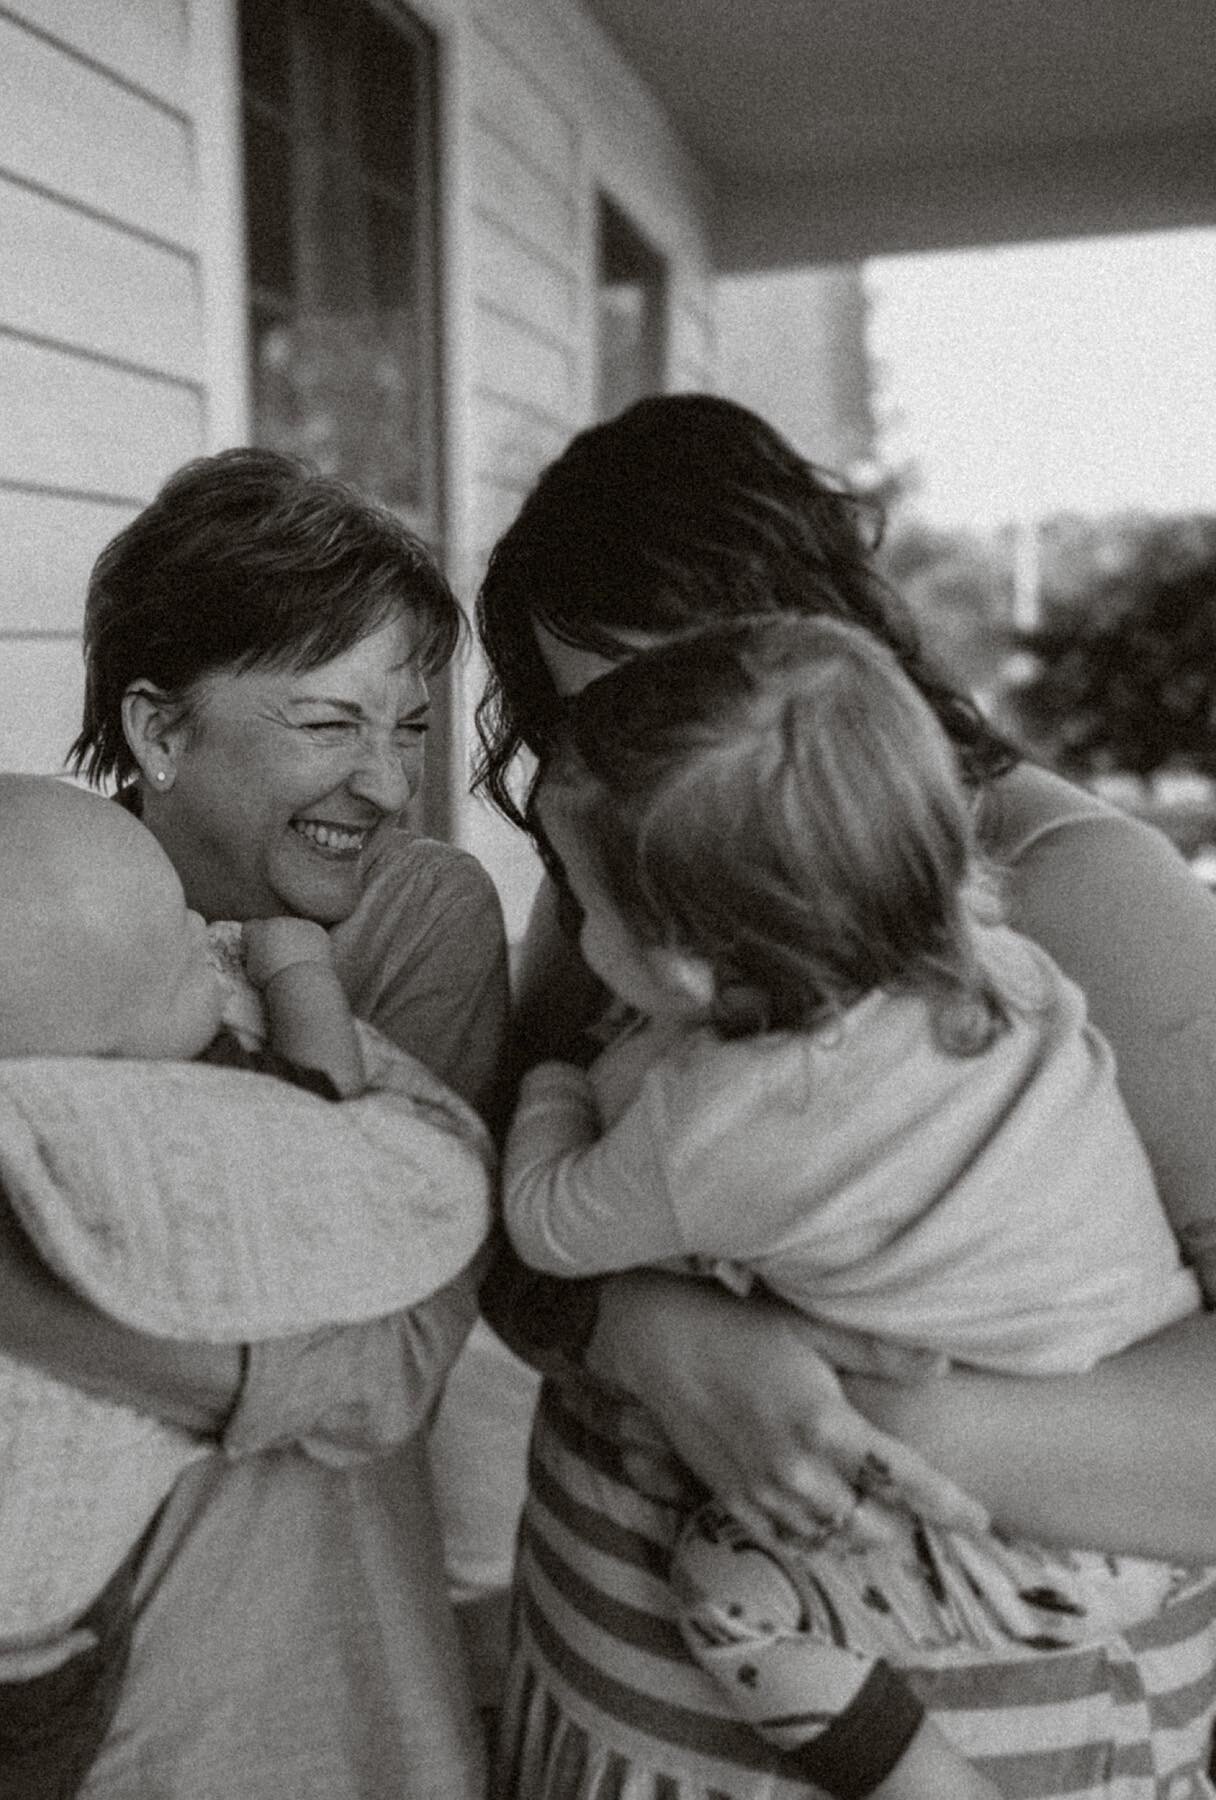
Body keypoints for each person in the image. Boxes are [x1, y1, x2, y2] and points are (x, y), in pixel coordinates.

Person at [474, 394, 1216, 1799]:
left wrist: (829, 1413)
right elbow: (506, 1235)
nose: (643, 780)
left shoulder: (1076, 890)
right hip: (608, 1696)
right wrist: (653, 1336)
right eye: (588, 719)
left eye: (679, 695)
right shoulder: (624, 885)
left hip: (986, 1728)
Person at [0, 447, 510, 1799]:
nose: (391, 783)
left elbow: (386, 1358)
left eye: (409, 727)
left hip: (287, 1640)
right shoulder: (3, 902)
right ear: (161, 730)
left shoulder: (419, 914)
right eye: (331, 723)